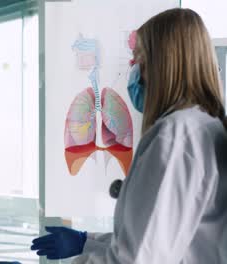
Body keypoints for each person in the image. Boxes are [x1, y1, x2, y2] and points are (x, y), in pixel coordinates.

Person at [31, 8, 227, 263]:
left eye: (138, 59)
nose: (133, 70)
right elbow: (158, 237)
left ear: (162, 64)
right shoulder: (204, 126)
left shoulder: (176, 136)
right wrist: (86, 242)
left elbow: (137, 258)